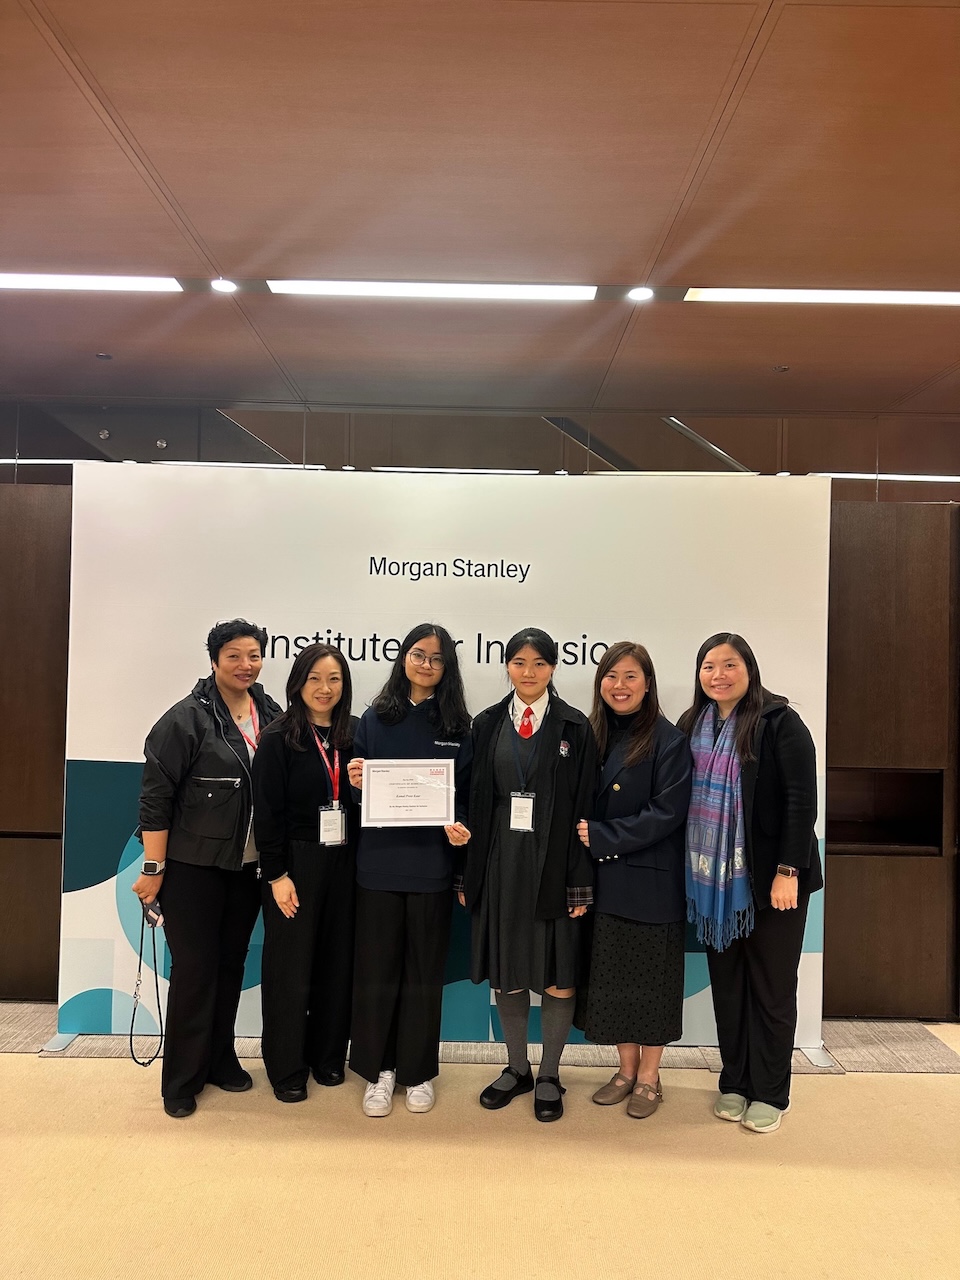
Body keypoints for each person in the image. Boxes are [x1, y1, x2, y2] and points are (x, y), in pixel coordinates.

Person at [133, 619, 281, 1119]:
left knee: (231, 964)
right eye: (234, 655)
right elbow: (155, 800)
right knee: (196, 970)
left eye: (254, 655)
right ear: (214, 660)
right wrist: (154, 867)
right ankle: (181, 1078)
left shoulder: (270, 712)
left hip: (248, 867)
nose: (245, 665)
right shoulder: (185, 720)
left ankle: (220, 1059)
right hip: (193, 867)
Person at [678, 632, 822, 1135]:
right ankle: (735, 1082)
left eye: (729, 665)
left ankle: (771, 1092)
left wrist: (788, 871)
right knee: (729, 988)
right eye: (708, 666)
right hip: (713, 886)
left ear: (749, 669)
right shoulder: (692, 724)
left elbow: (801, 801)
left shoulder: (779, 722)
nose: (718, 675)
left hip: (771, 882)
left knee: (771, 990)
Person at [461, 627, 597, 1123]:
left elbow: (586, 809)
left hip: (554, 861)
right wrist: (466, 876)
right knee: (509, 972)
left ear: (553, 668)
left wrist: (580, 882)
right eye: (519, 662)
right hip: (500, 859)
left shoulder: (575, 727)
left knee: (558, 975)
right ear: (507, 667)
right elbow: (472, 799)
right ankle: (517, 1068)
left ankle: (550, 1075)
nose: (529, 672)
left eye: (539, 663)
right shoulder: (486, 723)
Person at [346, 623, 472, 1118]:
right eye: (418, 654)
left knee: (423, 975)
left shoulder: (458, 726)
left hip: (431, 867)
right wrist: (357, 781)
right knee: (376, 973)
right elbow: (357, 791)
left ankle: (418, 1072)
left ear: (447, 668)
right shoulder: (374, 717)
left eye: (437, 659)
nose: (426, 665)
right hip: (378, 866)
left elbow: (468, 796)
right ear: (403, 658)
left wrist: (461, 827)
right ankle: (378, 1072)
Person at [576, 641, 692, 1119]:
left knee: (652, 985)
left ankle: (650, 1077)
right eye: (611, 676)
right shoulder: (590, 734)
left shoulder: (669, 740)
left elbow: (668, 813)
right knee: (616, 981)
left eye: (630, 676)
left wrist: (604, 836)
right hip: (605, 882)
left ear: (648, 684)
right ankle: (625, 1071)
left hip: (652, 884)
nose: (619, 686)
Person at [252, 644, 359, 1103]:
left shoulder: (356, 734)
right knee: (290, 969)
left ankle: (328, 1057)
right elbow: (266, 813)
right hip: (294, 864)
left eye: (334, 679)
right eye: (314, 678)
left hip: (346, 861)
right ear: (298, 683)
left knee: (337, 964)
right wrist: (276, 875)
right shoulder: (278, 737)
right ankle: (287, 1067)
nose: (324, 688)